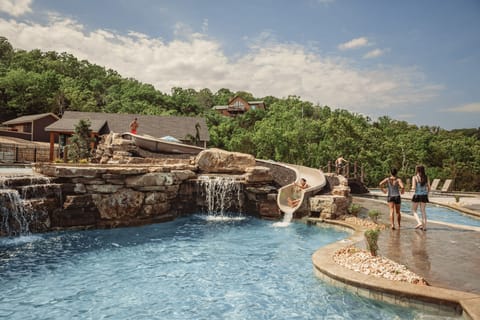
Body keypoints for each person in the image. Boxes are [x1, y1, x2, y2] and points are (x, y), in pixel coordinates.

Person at [411, 165, 430, 231]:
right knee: (423, 211)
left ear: (417, 170)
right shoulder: (426, 177)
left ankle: (419, 223)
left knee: (414, 210)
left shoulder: (415, 177)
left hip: (417, 195)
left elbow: (413, 187)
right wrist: (427, 194)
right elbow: (429, 188)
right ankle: (424, 227)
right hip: (424, 196)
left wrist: (412, 188)